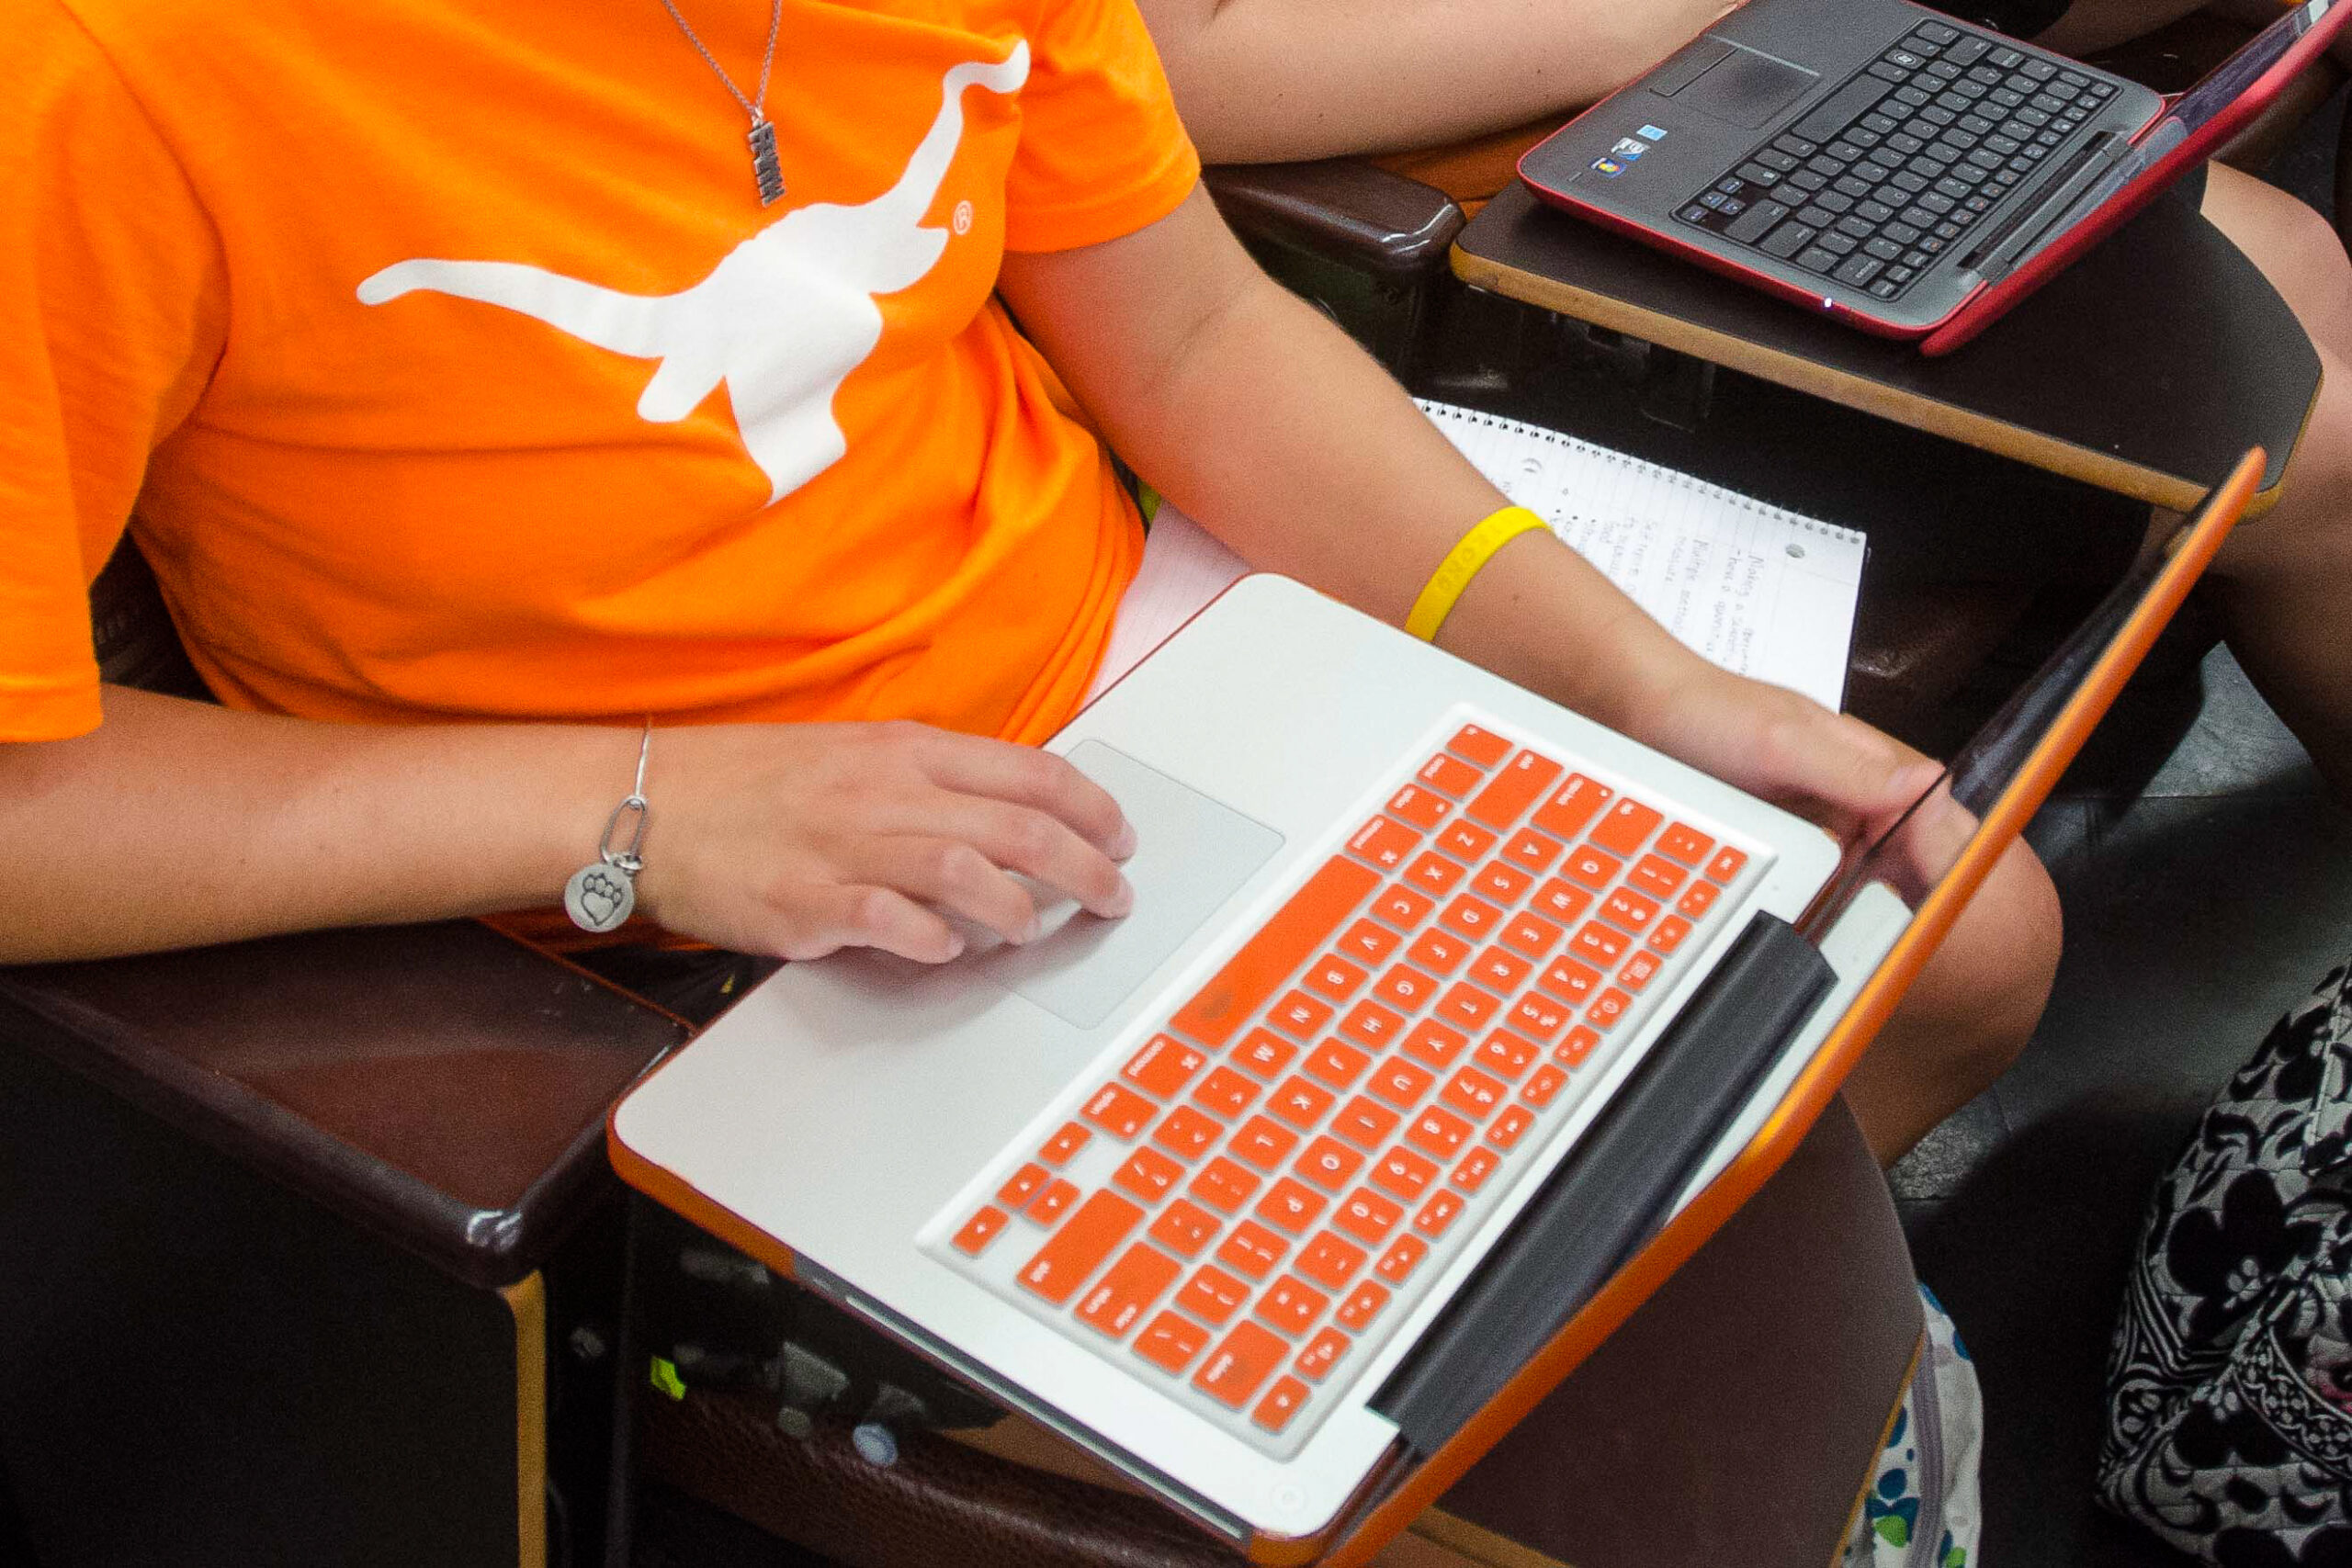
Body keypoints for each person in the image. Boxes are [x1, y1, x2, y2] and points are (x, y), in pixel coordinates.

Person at [0, 0, 2048, 1190]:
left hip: (1156, 671)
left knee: (1938, 931)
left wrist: (1636, 681)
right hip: (657, 925)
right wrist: (636, 802)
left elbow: (1184, 341)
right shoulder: (101, 76)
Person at [1134, 0, 2352, 803]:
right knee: (2314, 459)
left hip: (1733, 76)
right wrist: (1659, 20)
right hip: (1526, 200)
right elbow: (1180, 66)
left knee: (2296, 259)